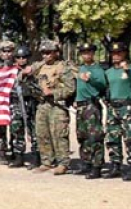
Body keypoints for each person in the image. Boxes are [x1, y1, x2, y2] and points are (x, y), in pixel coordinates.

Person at [24, 40, 76, 176]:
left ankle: (63, 163)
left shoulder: (63, 67)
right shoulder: (39, 67)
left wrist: (53, 92)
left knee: (59, 134)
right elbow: (21, 78)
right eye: (43, 53)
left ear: (55, 53)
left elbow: (71, 89)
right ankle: (46, 161)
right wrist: (25, 73)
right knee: (42, 133)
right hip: (42, 105)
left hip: (57, 106)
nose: (45, 56)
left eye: (48, 53)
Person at [102, 41, 131, 181]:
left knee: (129, 137)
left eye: (119, 53)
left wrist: (128, 71)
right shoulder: (108, 72)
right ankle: (115, 165)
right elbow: (105, 88)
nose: (116, 56)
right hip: (112, 107)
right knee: (112, 137)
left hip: (127, 106)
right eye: (113, 53)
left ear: (125, 53)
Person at [73, 43, 107, 178]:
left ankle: (96, 165)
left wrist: (91, 80)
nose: (86, 55)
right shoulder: (80, 68)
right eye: (83, 52)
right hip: (80, 106)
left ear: (93, 54)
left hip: (91, 105)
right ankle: (86, 162)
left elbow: (102, 85)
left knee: (95, 136)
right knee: (82, 136)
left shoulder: (97, 69)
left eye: (89, 52)